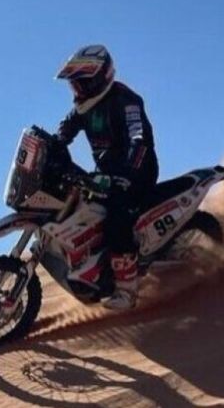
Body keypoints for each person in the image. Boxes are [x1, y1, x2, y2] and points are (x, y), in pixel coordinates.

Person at [55, 44, 159, 310]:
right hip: (105, 174)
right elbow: (66, 130)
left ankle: (127, 290)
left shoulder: (126, 100)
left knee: (116, 218)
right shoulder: (84, 107)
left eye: (80, 83)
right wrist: (52, 145)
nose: (76, 90)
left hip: (137, 171)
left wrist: (127, 176)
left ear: (98, 79)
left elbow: (139, 140)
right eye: (74, 85)